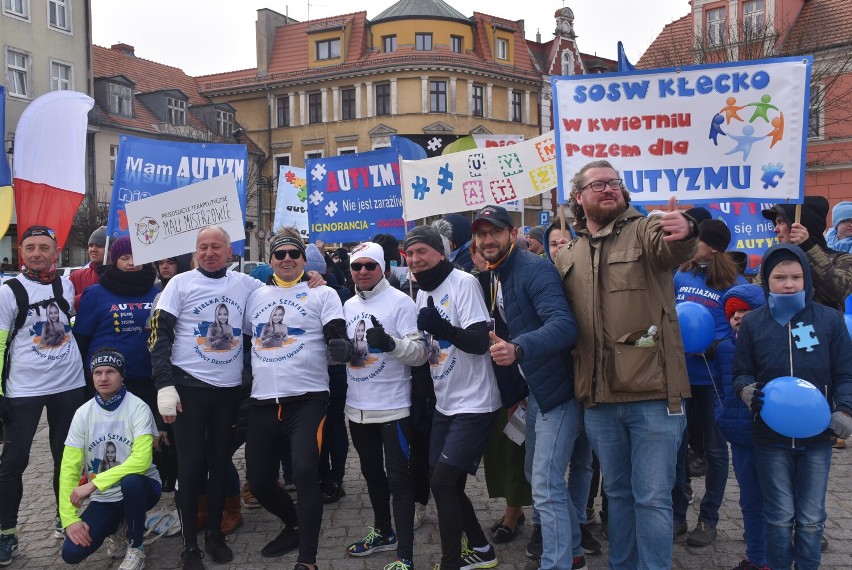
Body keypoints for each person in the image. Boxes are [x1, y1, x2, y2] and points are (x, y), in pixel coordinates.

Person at [556, 160, 698, 569]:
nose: (607, 189)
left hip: (654, 395)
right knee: (616, 495)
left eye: (613, 183)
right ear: (579, 199)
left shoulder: (647, 229)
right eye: (596, 184)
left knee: (652, 497)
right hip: (599, 399)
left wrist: (683, 230)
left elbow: (673, 247)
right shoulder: (570, 253)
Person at [470, 205, 582, 570]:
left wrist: (518, 349)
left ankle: (557, 563)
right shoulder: (500, 272)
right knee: (540, 478)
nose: (488, 239)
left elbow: (564, 326)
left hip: (557, 392)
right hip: (536, 391)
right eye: (481, 233)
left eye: (495, 232)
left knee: (546, 484)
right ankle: (573, 554)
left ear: (513, 233)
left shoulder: (533, 270)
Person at [149, 225, 263, 569]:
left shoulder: (245, 285)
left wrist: (314, 279)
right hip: (189, 388)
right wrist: (164, 384)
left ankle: (214, 533)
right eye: (203, 247)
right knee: (190, 464)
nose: (209, 252)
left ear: (229, 252)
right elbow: (158, 334)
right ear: (195, 252)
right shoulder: (180, 284)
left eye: (216, 247)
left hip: (228, 392)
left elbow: (286, 293)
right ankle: (189, 546)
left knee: (218, 463)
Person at [733, 243, 852, 570]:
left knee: (812, 519)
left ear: (807, 279)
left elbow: (845, 372)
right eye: (780, 277)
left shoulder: (828, 320)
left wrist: (845, 410)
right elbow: (741, 370)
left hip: (817, 437)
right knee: (779, 517)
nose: (788, 283)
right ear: (766, 280)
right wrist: (745, 390)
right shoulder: (755, 323)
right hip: (770, 438)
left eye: (796, 276)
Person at [242, 228, 353, 570]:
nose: (287, 259)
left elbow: (336, 328)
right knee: (260, 482)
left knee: (305, 471)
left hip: (307, 399)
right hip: (263, 401)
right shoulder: (256, 296)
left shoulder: (322, 293)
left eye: (294, 253)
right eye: (280, 254)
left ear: (304, 259)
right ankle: (293, 525)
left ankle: (308, 559)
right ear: (271, 260)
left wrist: (339, 343)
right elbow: (247, 338)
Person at [404, 225, 501, 570]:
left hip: (475, 402)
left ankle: (451, 563)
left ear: (440, 253)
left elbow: (479, 343)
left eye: (422, 252)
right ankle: (481, 549)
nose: (415, 259)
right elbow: (430, 352)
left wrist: (443, 328)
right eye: (410, 254)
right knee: (445, 483)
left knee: (443, 484)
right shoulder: (420, 292)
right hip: (445, 403)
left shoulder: (464, 283)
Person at [0, 225, 87, 565]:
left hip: (68, 384)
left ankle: (64, 515)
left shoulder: (63, 284)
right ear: (22, 251)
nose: (36, 253)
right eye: (30, 247)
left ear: (56, 251)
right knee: (13, 461)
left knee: (65, 458)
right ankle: (7, 532)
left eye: (44, 247)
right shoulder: (9, 291)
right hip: (24, 389)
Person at [342, 241, 427, 570]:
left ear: (383, 268)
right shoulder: (346, 305)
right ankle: (383, 532)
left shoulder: (401, 302)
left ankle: (405, 555)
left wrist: (391, 344)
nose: (363, 271)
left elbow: (419, 354)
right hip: (357, 408)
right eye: (356, 266)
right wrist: (339, 352)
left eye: (370, 266)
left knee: (399, 482)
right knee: (371, 474)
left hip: (394, 408)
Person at [672, 219, 746, 546]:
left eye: (697, 238)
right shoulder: (681, 274)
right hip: (681, 374)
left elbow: (741, 328)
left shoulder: (733, 282)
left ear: (713, 246)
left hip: (714, 377)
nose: (692, 242)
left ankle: (709, 517)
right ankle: (676, 513)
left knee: (715, 450)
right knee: (676, 446)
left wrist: (719, 344)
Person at [59, 349, 161, 570]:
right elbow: (69, 467)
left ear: (122, 375)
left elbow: (142, 460)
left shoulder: (138, 408)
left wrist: (93, 484)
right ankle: (117, 528)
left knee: (131, 480)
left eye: (110, 372)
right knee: (71, 553)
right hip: (105, 498)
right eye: (97, 372)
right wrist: (69, 520)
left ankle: (136, 547)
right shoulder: (82, 414)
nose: (103, 378)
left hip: (143, 488)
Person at [710, 284, 768, 570]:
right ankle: (756, 558)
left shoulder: (771, 347)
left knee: (776, 501)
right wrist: (723, 416)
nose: (739, 317)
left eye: (746, 311)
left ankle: (778, 555)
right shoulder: (722, 350)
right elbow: (721, 388)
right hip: (741, 437)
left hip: (771, 438)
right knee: (750, 501)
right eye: (734, 312)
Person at [75, 235, 161, 418]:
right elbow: (81, 339)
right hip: (107, 380)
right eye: (125, 258)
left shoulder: (158, 292)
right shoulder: (96, 293)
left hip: (147, 377)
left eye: (138, 257)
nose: (132, 262)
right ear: (115, 260)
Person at [762, 196, 852, 311]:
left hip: (821, 328)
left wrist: (807, 248)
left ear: (803, 224)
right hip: (782, 328)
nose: (775, 229)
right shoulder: (775, 259)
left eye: (781, 222)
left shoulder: (843, 259)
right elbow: (759, 295)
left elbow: (835, 291)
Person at [69, 226, 107, 310]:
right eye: (91, 245)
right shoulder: (76, 276)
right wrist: (89, 295)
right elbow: (66, 304)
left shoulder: (121, 275)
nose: (93, 249)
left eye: (99, 245)